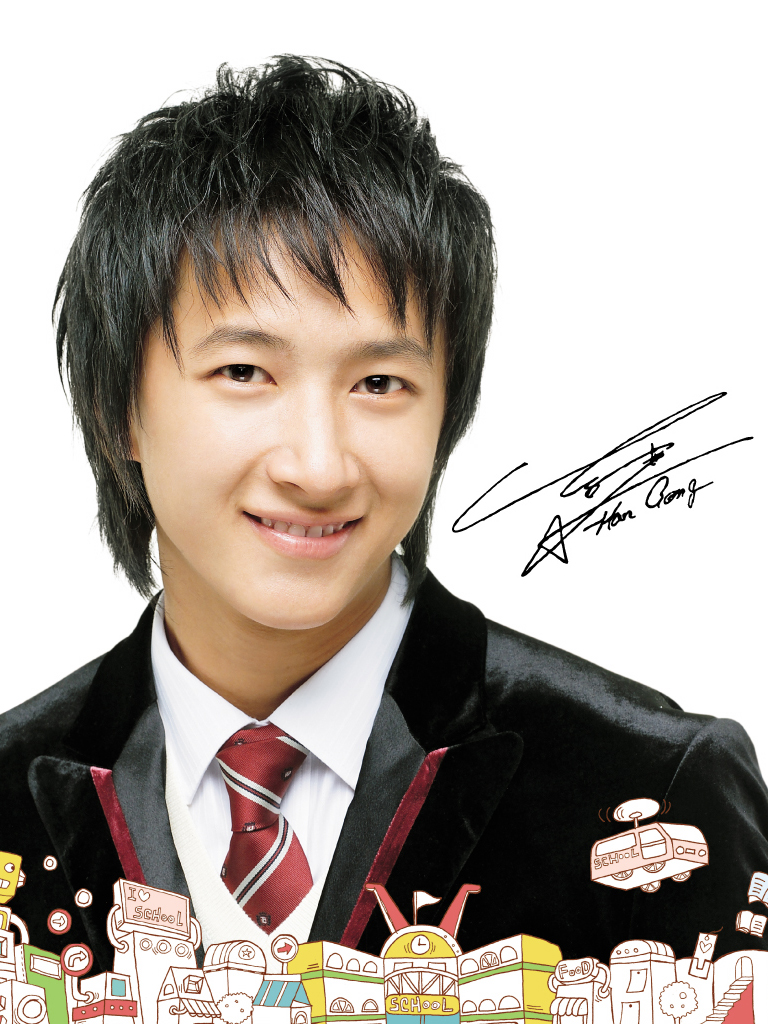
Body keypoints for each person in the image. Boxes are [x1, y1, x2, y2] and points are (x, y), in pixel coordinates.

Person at [1, 56, 766, 977]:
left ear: (448, 411)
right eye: (244, 372)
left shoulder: (647, 790)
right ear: (117, 406)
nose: (317, 465)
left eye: (379, 383)